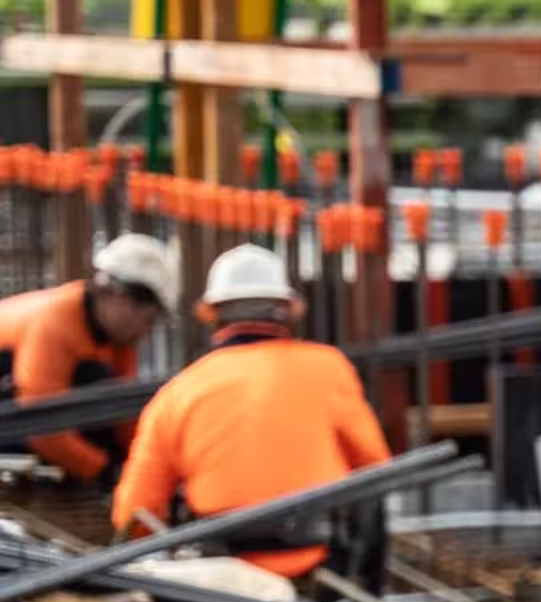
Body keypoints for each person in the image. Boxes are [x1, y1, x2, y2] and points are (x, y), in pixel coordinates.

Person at [112, 244, 389, 581]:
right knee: (373, 494)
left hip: (221, 572)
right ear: (289, 310)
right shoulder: (329, 367)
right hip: (314, 561)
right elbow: (375, 464)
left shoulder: (177, 392)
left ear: (211, 314)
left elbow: (135, 514)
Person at [0, 234, 177, 484]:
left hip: (24, 415)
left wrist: (140, 466)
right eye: (148, 320)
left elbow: (123, 416)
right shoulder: (54, 323)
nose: (146, 332)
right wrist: (104, 471)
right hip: (15, 422)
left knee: (101, 397)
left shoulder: (118, 337)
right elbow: (40, 425)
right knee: (90, 383)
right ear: (118, 296)